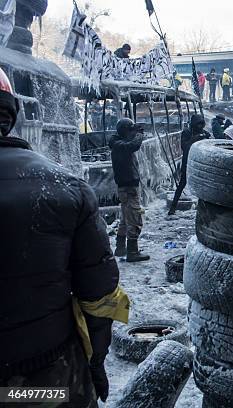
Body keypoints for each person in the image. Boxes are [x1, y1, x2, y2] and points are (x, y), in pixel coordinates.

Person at [0, 67, 128, 406]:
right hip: (43, 379)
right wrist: (97, 361)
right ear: (12, 115)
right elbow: (101, 297)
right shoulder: (64, 186)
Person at [109, 118, 150, 262]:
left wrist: (134, 132)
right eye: (130, 130)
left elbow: (131, 143)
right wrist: (138, 134)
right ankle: (133, 252)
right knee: (134, 219)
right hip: (129, 187)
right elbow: (134, 145)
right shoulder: (120, 145)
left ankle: (120, 248)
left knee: (125, 219)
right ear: (126, 131)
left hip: (125, 188)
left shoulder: (118, 143)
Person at [168, 114, 210, 215]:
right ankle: (173, 208)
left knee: (202, 185)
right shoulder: (187, 132)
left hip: (200, 162)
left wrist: (205, 137)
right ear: (193, 124)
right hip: (188, 161)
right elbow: (185, 147)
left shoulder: (203, 133)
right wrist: (196, 138)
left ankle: (203, 208)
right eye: (198, 124)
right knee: (182, 183)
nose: (200, 127)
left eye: (201, 124)